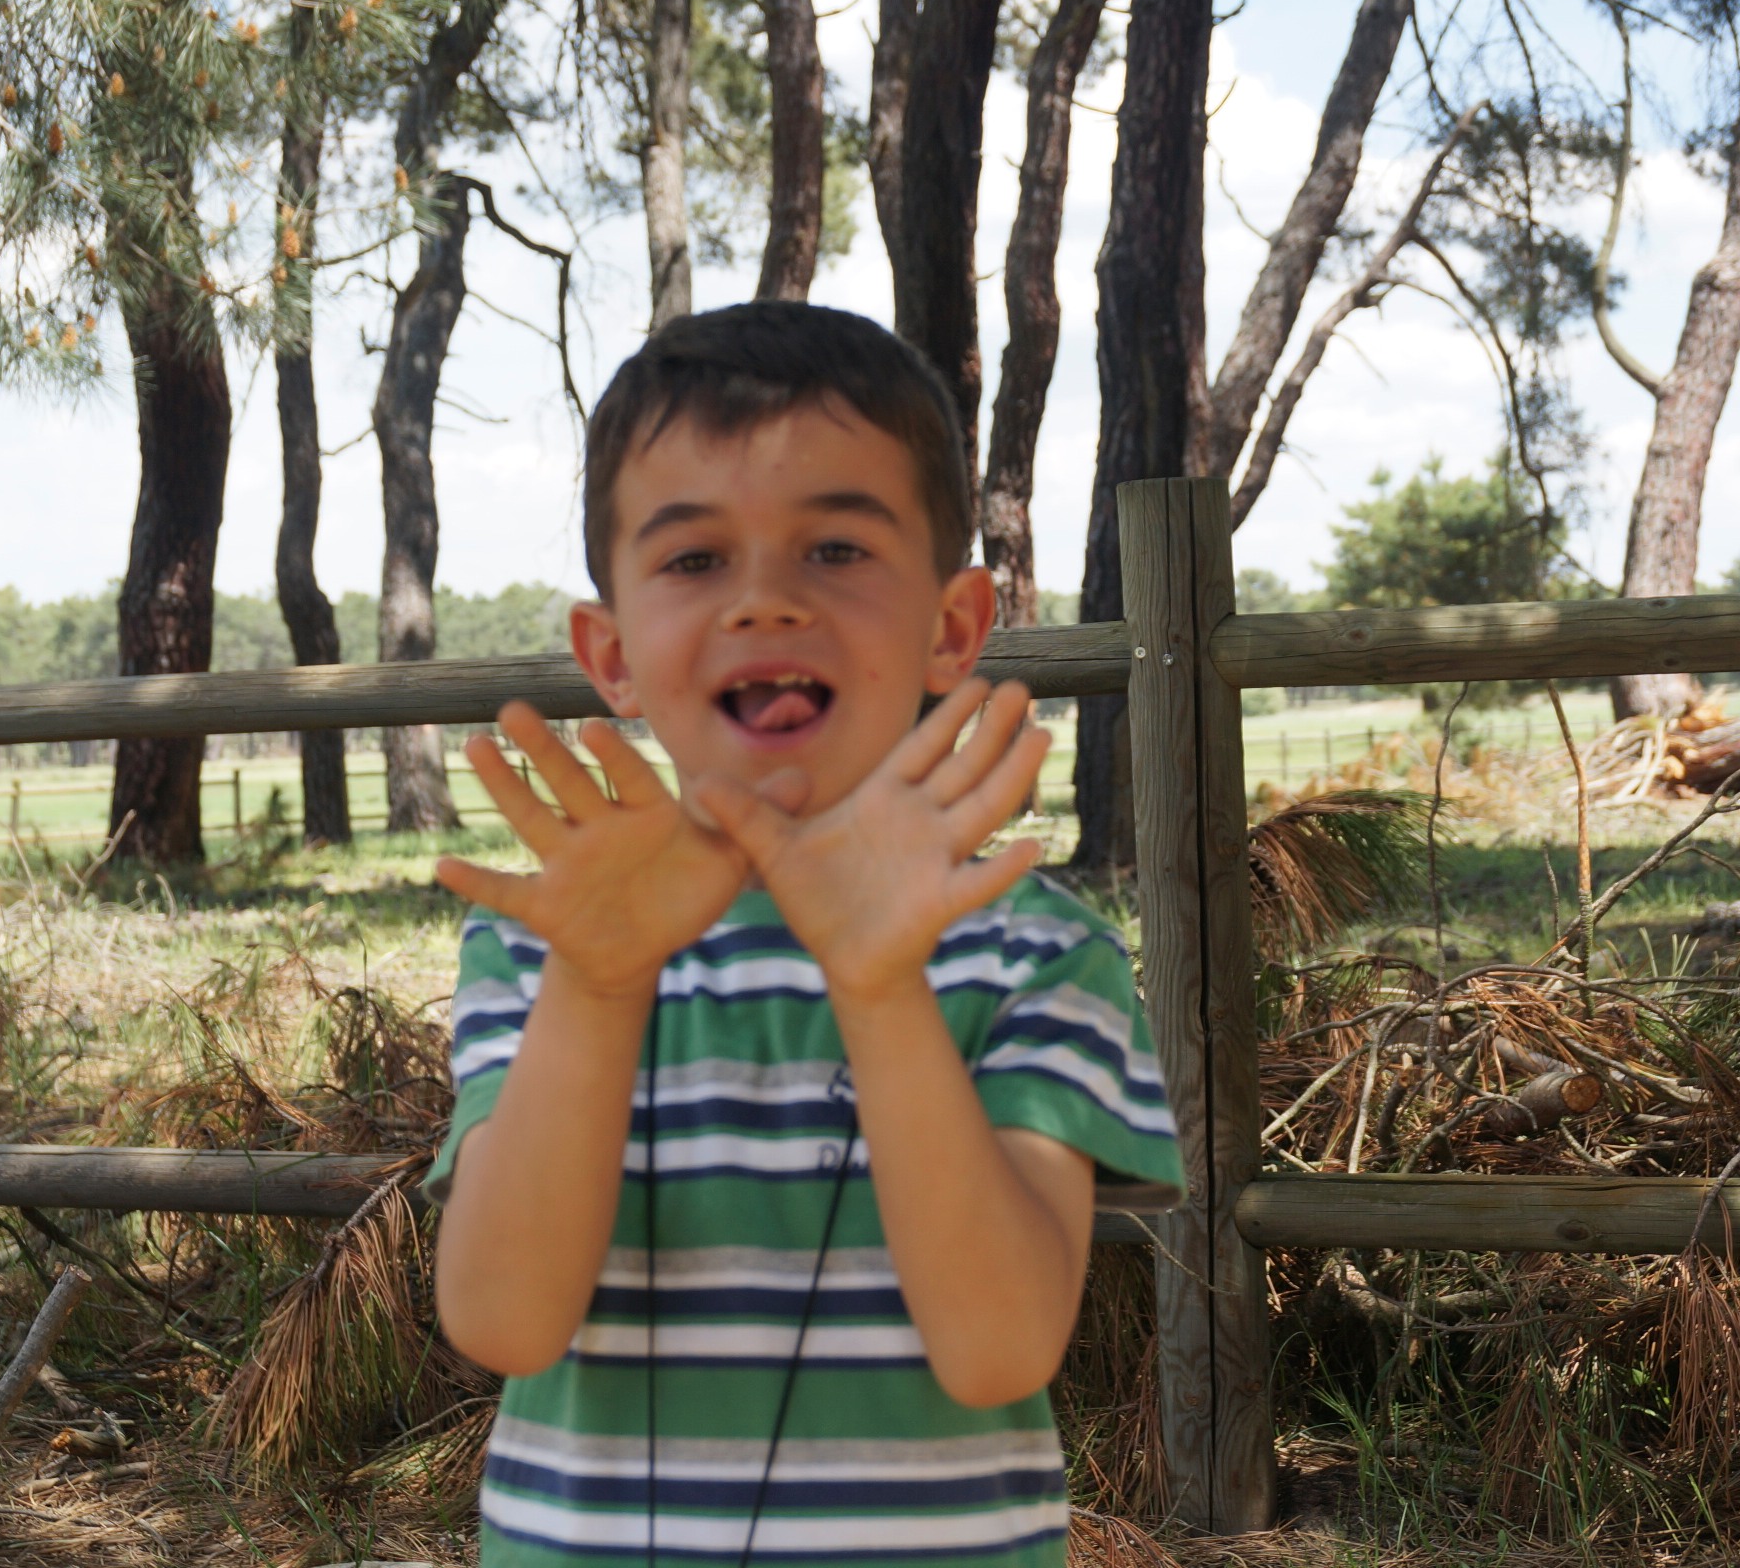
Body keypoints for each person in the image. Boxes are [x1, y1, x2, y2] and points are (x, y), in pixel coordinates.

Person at [427, 302, 1183, 1566]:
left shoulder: (1035, 954)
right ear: (609, 654)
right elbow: (502, 1322)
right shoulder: (552, 946)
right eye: (693, 560)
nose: (764, 603)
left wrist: (880, 985)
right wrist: (604, 983)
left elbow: (998, 1347)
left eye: (834, 550)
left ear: (950, 628)